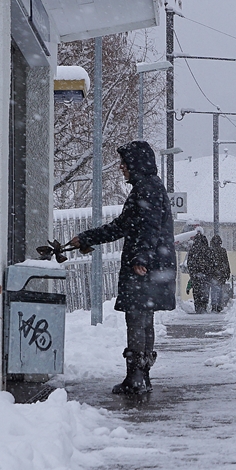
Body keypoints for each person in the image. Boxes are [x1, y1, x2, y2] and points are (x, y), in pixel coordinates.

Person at [69, 140, 176, 395]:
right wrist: (86, 238)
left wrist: (141, 259)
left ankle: (136, 376)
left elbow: (149, 226)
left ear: (135, 164)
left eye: (124, 163)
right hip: (153, 263)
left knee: (137, 319)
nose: (121, 168)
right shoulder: (147, 187)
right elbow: (122, 226)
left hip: (146, 264)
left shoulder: (147, 189)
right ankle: (142, 375)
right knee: (143, 317)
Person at [185, 229, 213, 314]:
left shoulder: (192, 250)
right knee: (205, 291)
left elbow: (189, 263)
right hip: (205, 275)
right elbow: (211, 262)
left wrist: (192, 273)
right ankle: (203, 306)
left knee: (196, 292)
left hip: (195, 276)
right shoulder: (208, 250)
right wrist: (208, 272)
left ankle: (198, 307)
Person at [205, 234, 231, 312]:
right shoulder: (223, 251)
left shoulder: (210, 251)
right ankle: (219, 305)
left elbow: (208, 263)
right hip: (221, 274)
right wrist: (227, 272)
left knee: (213, 290)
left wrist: (208, 272)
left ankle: (214, 305)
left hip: (213, 274)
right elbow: (226, 262)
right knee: (219, 290)